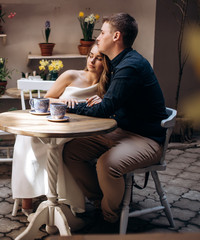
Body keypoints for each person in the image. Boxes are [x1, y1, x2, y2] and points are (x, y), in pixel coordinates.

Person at [63, 13, 168, 232]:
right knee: (71, 151)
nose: (98, 37)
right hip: (121, 131)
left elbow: (105, 109)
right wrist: (104, 102)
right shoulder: (118, 63)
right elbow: (112, 102)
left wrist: (70, 106)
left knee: (107, 165)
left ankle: (108, 217)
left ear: (116, 36)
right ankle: (103, 201)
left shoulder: (130, 66)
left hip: (146, 139)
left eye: (102, 32)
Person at [12, 44, 110, 215]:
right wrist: (63, 103)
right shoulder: (71, 75)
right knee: (28, 138)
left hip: (76, 132)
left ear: (107, 62)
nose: (92, 61)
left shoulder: (106, 87)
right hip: (55, 124)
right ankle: (26, 200)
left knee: (63, 149)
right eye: (90, 55)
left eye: (99, 58)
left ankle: (63, 201)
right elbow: (47, 99)